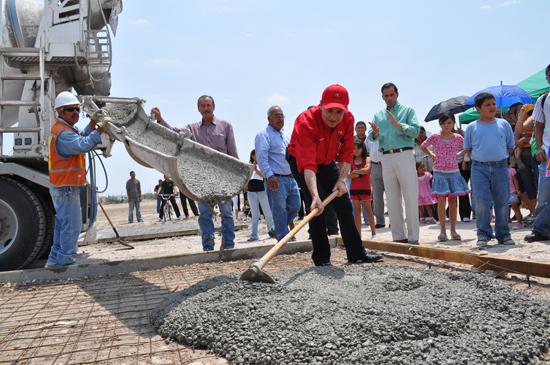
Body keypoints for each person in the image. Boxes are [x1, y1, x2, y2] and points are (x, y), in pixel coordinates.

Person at [288, 84, 383, 266]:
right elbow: (308, 165)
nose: (334, 117)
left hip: (328, 161)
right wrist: (315, 196)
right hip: (303, 163)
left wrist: (341, 180)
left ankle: (356, 253)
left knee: (344, 204)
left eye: (339, 112)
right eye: (329, 110)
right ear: (321, 104)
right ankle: (322, 258)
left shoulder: (348, 120)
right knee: (317, 208)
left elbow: (347, 154)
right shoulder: (305, 121)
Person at [152, 96, 238, 251]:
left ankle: (229, 246)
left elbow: (233, 154)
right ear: (198, 109)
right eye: (203, 106)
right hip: (202, 180)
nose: (206, 108)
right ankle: (208, 248)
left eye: (209, 105)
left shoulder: (225, 126)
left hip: (223, 178)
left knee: (227, 213)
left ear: (214, 107)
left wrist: (236, 179)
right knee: (205, 214)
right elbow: (175, 133)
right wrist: (160, 120)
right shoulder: (192, 129)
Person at [45, 91, 104, 268]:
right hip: (66, 187)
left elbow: (80, 135)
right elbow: (82, 144)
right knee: (71, 226)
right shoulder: (63, 133)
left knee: (63, 225)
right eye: (71, 110)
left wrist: (92, 124)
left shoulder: (65, 129)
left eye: (77, 109)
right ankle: (66, 263)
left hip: (63, 186)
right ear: (60, 112)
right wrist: (99, 130)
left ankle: (54, 261)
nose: (76, 112)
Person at [367, 83, 420, 244]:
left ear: (397, 94)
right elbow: (371, 135)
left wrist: (399, 125)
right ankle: (398, 237)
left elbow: (416, 131)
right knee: (391, 197)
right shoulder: (378, 114)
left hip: (404, 154)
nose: (389, 98)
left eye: (392, 95)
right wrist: (375, 133)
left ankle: (413, 237)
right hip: (385, 157)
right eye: (386, 95)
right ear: (382, 97)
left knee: (410, 195)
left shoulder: (408, 111)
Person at [463, 92, 515, 247]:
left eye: (493, 104)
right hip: (479, 168)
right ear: (478, 109)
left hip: (500, 166)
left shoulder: (503, 124)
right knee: (481, 201)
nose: (492, 107)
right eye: (487, 105)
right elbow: (468, 150)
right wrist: (482, 159)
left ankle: (503, 234)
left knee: (502, 201)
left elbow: (510, 146)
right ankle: (484, 234)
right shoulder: (472, 127)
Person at [420, 112, 471, 242]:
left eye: (449, 122)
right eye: (443, 123)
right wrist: (432, 154)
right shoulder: (435, 137)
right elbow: (423, 146)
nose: (446, 125)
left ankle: (453, 230)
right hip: (439, 171)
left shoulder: (458, 137)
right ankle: (442, 231)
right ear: (440, 124)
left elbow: (468, 147)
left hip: (454, 171)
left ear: (453, 123)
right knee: (441, 201)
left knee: (453, 201)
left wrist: (458, 155)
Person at [254, 106, 301, 241]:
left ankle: (276, 229)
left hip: (290, 178)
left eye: (282, 116)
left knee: (295, 206)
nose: (280, 118)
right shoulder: (263, 135)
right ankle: (283, 239)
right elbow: (261, 158)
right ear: (269, 118)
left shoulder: (285, 135)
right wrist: (269, 176)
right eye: (277, 116)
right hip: (276, 179)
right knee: (279, 210)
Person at [525, 64, 550, 242]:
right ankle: (540, 229)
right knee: (544, 193)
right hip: (548, 154)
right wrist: (539, 147)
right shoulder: (543, 99)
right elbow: (538, 126)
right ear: (547, 78)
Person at [348, 139, 377, 240]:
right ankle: (358, 236)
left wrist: (355, 172)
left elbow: (367, 170)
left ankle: (374, 234)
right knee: (357, 213)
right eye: (354, 148)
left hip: (365, 189)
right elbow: (348, 175)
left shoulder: (367, 158)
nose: (356, 150)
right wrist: (361, 172)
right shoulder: (351, 160)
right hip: (354, 189)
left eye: (358, 148)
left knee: (369, 211)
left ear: (362, 148)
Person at [246, 150, 277, 241]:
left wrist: (256, 169)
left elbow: (264, 176)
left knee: (267, 213)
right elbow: (247, 177)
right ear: (252, 155)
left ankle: (272, 232)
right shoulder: (248, 165)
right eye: (256, 154)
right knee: (255, 214)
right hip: (251, 191)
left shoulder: (262, 164)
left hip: (262, 191)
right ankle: (254, 235)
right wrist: (252, 168)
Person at [508, 161, 524, 230]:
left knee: (515, 207)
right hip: (504, 192)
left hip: (512, 192)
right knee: (506, 207)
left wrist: (517, 190)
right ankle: (507, 219)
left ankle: (519, 223)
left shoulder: (511, 170)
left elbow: (515, 180)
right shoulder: (498, 171)